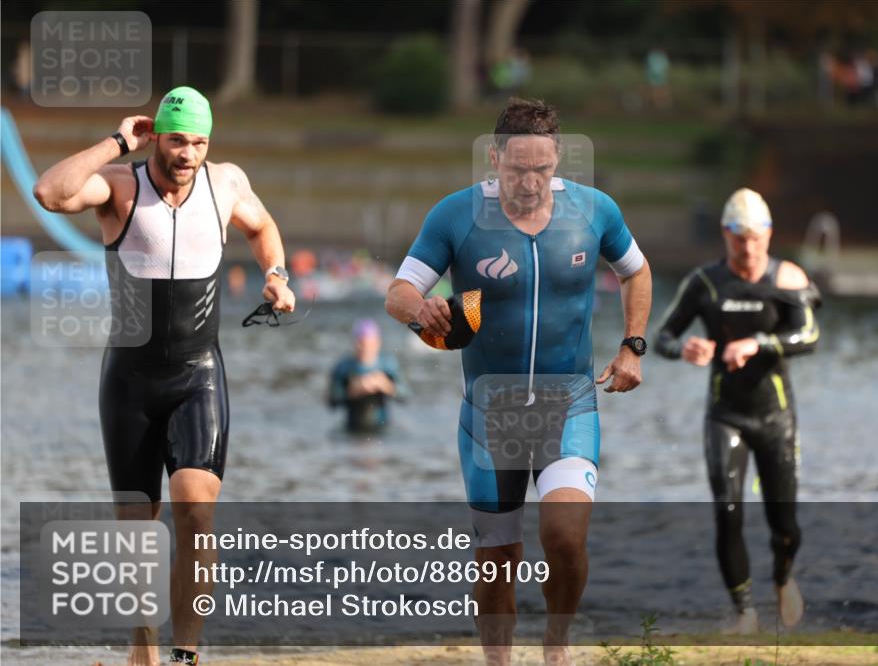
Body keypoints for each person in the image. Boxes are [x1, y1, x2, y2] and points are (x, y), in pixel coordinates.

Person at [33, 86, 295, 666]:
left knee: (196, 513)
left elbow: (262, 226)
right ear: (156, 136)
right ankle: (143, 646)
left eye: (199, 142)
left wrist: (276, 274)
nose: (188, 154)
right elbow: (50, 192)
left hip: (197, 375)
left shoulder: (225, 183)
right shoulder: (120, 186)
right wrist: (117, 142)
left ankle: (185, 655)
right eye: (178, 141)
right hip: (129, 383)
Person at [385, 98, 652, 666]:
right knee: (497, 558)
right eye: (517, 170)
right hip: (489, 414)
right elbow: (399, 292)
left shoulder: (594, 211)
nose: (530, 183)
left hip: (569, 407)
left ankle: (557, 644)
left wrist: (632, 344)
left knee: (565, 537)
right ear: (494, 158)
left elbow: (636, 270)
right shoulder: (456, 216)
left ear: (558, 160)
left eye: (542, 170)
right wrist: (421, 309)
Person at [653, 188, 819, 634]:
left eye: (755, 238)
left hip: (775, 418)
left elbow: (810, 336)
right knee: (727, 512)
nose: (747, 248)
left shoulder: (787, 278)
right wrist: (684, 348)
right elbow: (663, 336)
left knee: (784, 523)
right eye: (738, 238)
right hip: (725, 415)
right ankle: (745, 612)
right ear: (725, 235)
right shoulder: (705, 283)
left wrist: (757, 344)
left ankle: (783, 577)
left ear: (769, 234)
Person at [329, 318, 406, 433]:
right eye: (361, 343)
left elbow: (405, 396)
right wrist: (352, 391)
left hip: (382, 427)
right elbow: (332, 402)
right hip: (352, 427)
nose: (365, 349)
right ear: (354, 343)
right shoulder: (344, 367)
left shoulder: (388, 365)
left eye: (369, 344)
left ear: (378, 343)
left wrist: (386, 386)